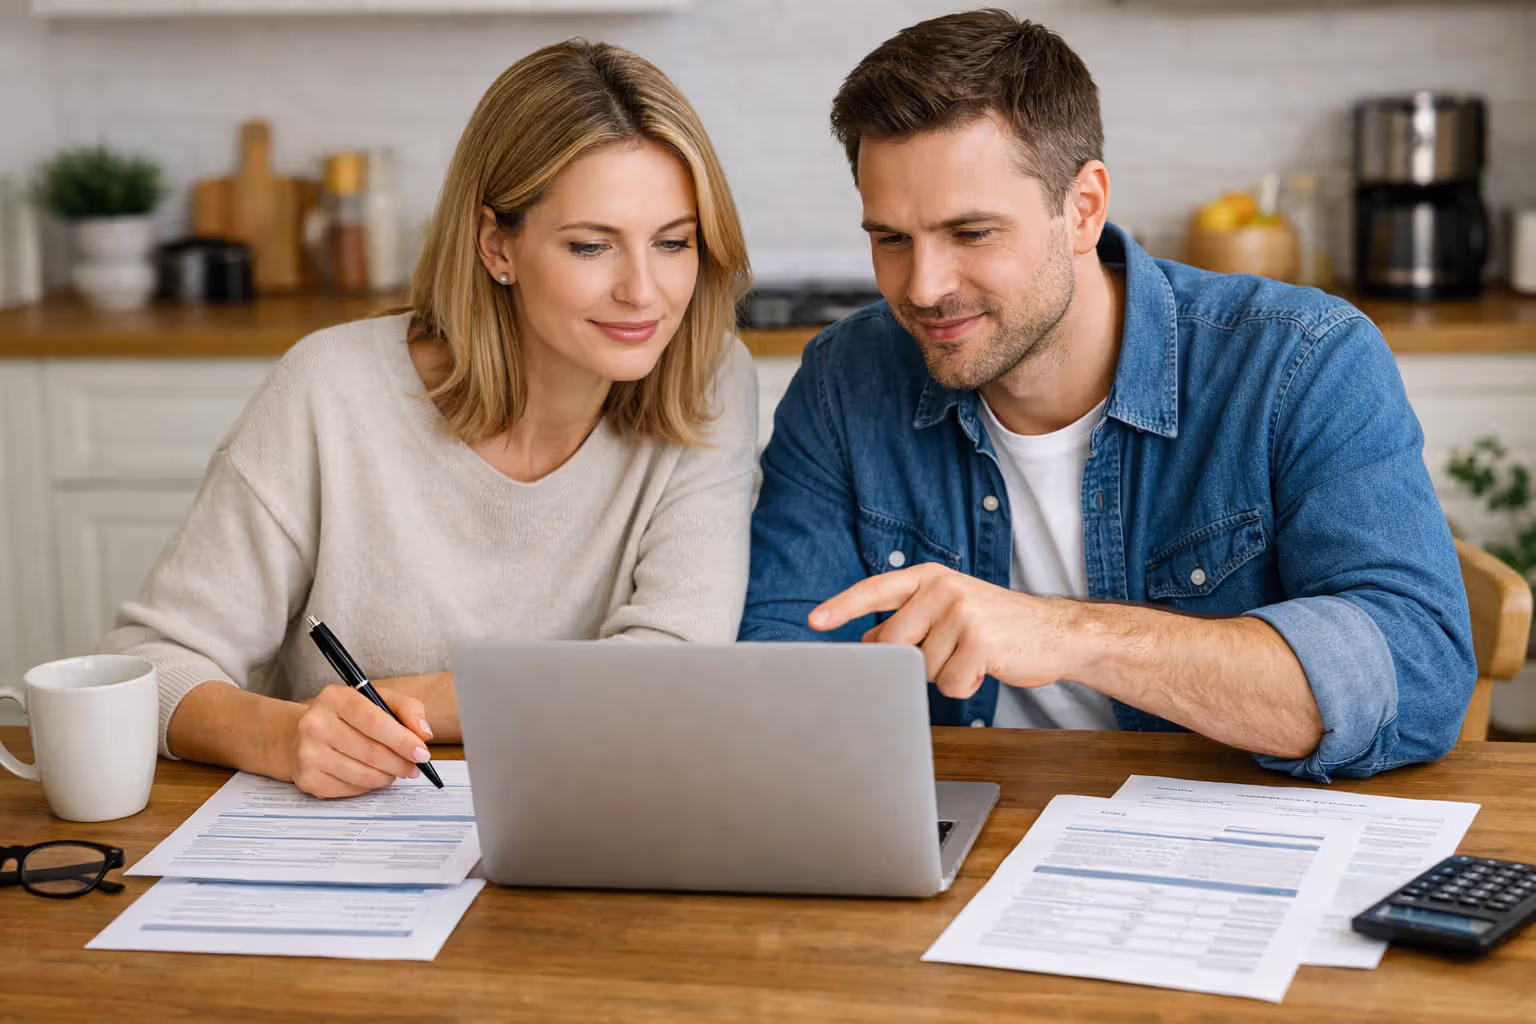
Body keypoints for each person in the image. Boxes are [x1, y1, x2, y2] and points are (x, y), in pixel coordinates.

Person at [739, 10, 1475, 782]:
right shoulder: (842, 379)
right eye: (890, 238)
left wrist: (1075, 636)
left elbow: (1417, 675)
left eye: (972, 233)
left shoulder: (1299, 360)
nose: (923, 287)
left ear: (1084, 207)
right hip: (957, 847)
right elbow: (780, 672)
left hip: (1224, 846)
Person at [101, 40, 758, 798]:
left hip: (589, 824)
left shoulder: (709, 379)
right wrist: (285, 734)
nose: (644, 292)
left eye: (673, 243)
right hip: (344, 843)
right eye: (590, 246)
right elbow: (150, 662)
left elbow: (669, 676)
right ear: (495, 245)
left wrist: (391, 698)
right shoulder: (332, 386)